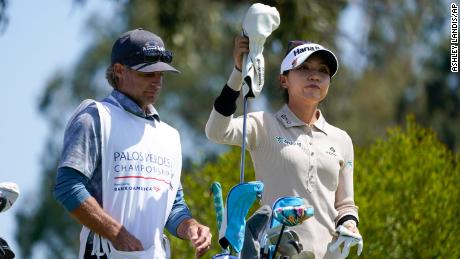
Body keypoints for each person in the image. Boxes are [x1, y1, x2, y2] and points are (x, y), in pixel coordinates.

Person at [54, 28, 211, 259]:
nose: (157, 82)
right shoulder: (95, 117)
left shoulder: (169, 136)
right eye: (148, 74)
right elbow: (68, 187)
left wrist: (190, 226)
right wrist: (116, 233)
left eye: (160, 74)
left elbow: (173, 208)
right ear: (119, 71)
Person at [205, 36, 362, 258]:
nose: (315, 75)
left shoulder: (341, 139)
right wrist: (238, 74)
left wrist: (350, 225)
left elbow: (345, 205)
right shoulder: (263, 125)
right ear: (284, 80)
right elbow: (216, 131)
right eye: (304, 68)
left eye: (323, 70)